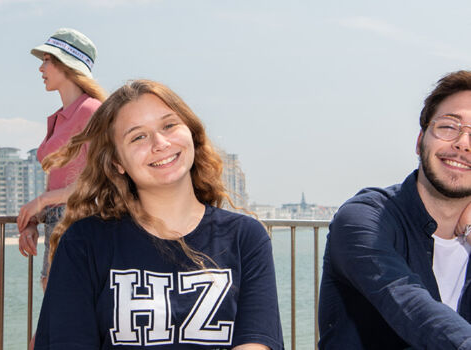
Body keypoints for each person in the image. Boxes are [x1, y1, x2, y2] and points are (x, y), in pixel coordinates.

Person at [34, 80, 283, 350]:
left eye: (169, 125)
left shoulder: (245, 238)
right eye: (138, 136)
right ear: (117, 162)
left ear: (191, 133)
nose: (160, 143)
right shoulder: (84, 243)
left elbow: (257, 342)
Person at [319, 70, 471, 349]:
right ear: (420, 140)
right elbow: (411, 306)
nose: (463, 143)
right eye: (449, 127)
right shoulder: (365, 219)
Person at [17, 28, 105, 291]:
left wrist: (42, 202)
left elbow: (99, 182)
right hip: (60, 223)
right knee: (58, 309)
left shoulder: (91, 111)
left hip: (80, 221)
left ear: (66, 65)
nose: (41, 68)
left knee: (66, 315)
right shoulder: (62, 117)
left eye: (47, 60)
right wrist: (33, 220)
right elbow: (57, 181)